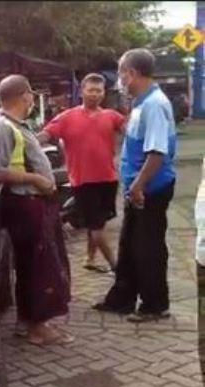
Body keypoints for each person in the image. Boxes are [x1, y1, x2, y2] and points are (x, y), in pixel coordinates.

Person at [91, 48, 177, 322]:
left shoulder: (155, 105)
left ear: (131, 73)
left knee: (148, 248)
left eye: (121, 73)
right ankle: (122, 299)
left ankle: (155, 304)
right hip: (138, 189)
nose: (119, 80)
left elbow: (157, 152)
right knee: (129, 246)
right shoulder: (141, 103)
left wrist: (138, 186)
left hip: (151, 189)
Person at [0, 74, 74, 345]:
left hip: (32, 203)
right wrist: (37, 179)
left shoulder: (16, 126)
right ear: (24, 96)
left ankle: (27, 322)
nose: (31, 100)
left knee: (32, 265)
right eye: (30, 95)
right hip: (23, 204)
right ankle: (38, 327)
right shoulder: (4, 127)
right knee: (38, 266)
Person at [37, 73, 125, 274]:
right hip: (83, 181)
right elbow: (46, 134)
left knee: (98, 223)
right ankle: (116, 266)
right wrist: (26, 142)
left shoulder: (111, 116)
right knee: (96, 227)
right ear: (82, 92)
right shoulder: (67, 117)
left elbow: (131, 131)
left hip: (108, 179)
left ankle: (90, 258)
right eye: (91, 90)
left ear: (103, 93)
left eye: (99, 90)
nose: (95, 94)